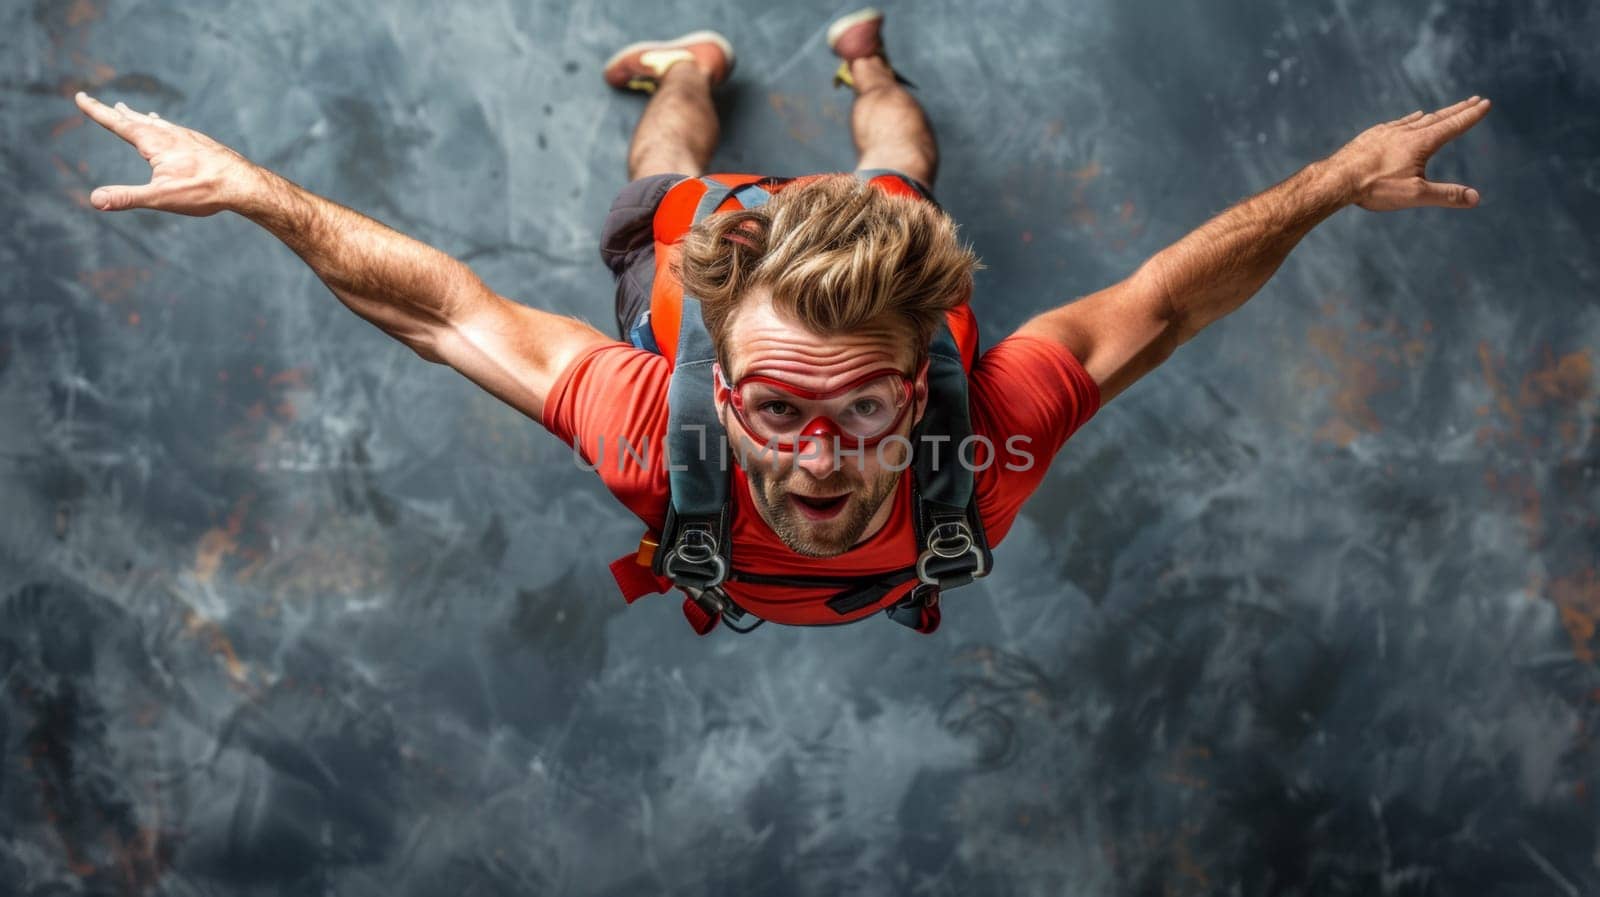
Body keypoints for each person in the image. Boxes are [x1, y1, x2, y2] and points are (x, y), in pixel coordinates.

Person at [71, 8, 1489, 635]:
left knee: (901, 163)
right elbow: (433, 307)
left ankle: (868, 58)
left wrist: (1330, 185)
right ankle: (695, 63)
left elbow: (1172, 300)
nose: (819, 459)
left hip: (874, 243)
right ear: (718, 381)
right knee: (663, 178)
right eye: (783, 410)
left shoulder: (982, 434)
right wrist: (254, 192)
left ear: (924, 389)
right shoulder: (654, 425)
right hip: (718, 247)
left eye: (865, 408)